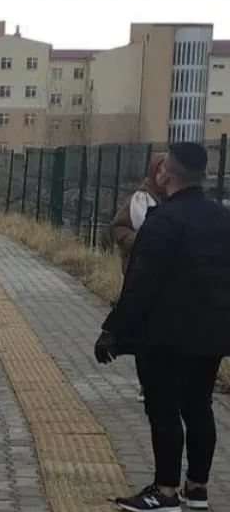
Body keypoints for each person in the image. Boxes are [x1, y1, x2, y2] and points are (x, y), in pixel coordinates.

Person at [94, 142, 230, 512]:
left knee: (164, 410)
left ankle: (165, 491)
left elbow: (141, 285)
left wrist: (113, 331)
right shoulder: (222, 219)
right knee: (200, 406)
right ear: (204, 175)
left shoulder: (163, 221)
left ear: (166, 174)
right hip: (212, 333)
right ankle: (197, 488)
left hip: (166, 336)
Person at [110, 152, 166, 401]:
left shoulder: (181, 199)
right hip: (140, 275)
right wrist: (140, 242)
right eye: (160, 169)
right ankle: (148, 382)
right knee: (145, 330)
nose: (164, 174)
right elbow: (121, 228)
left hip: (171, 280)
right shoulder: (140, 199)